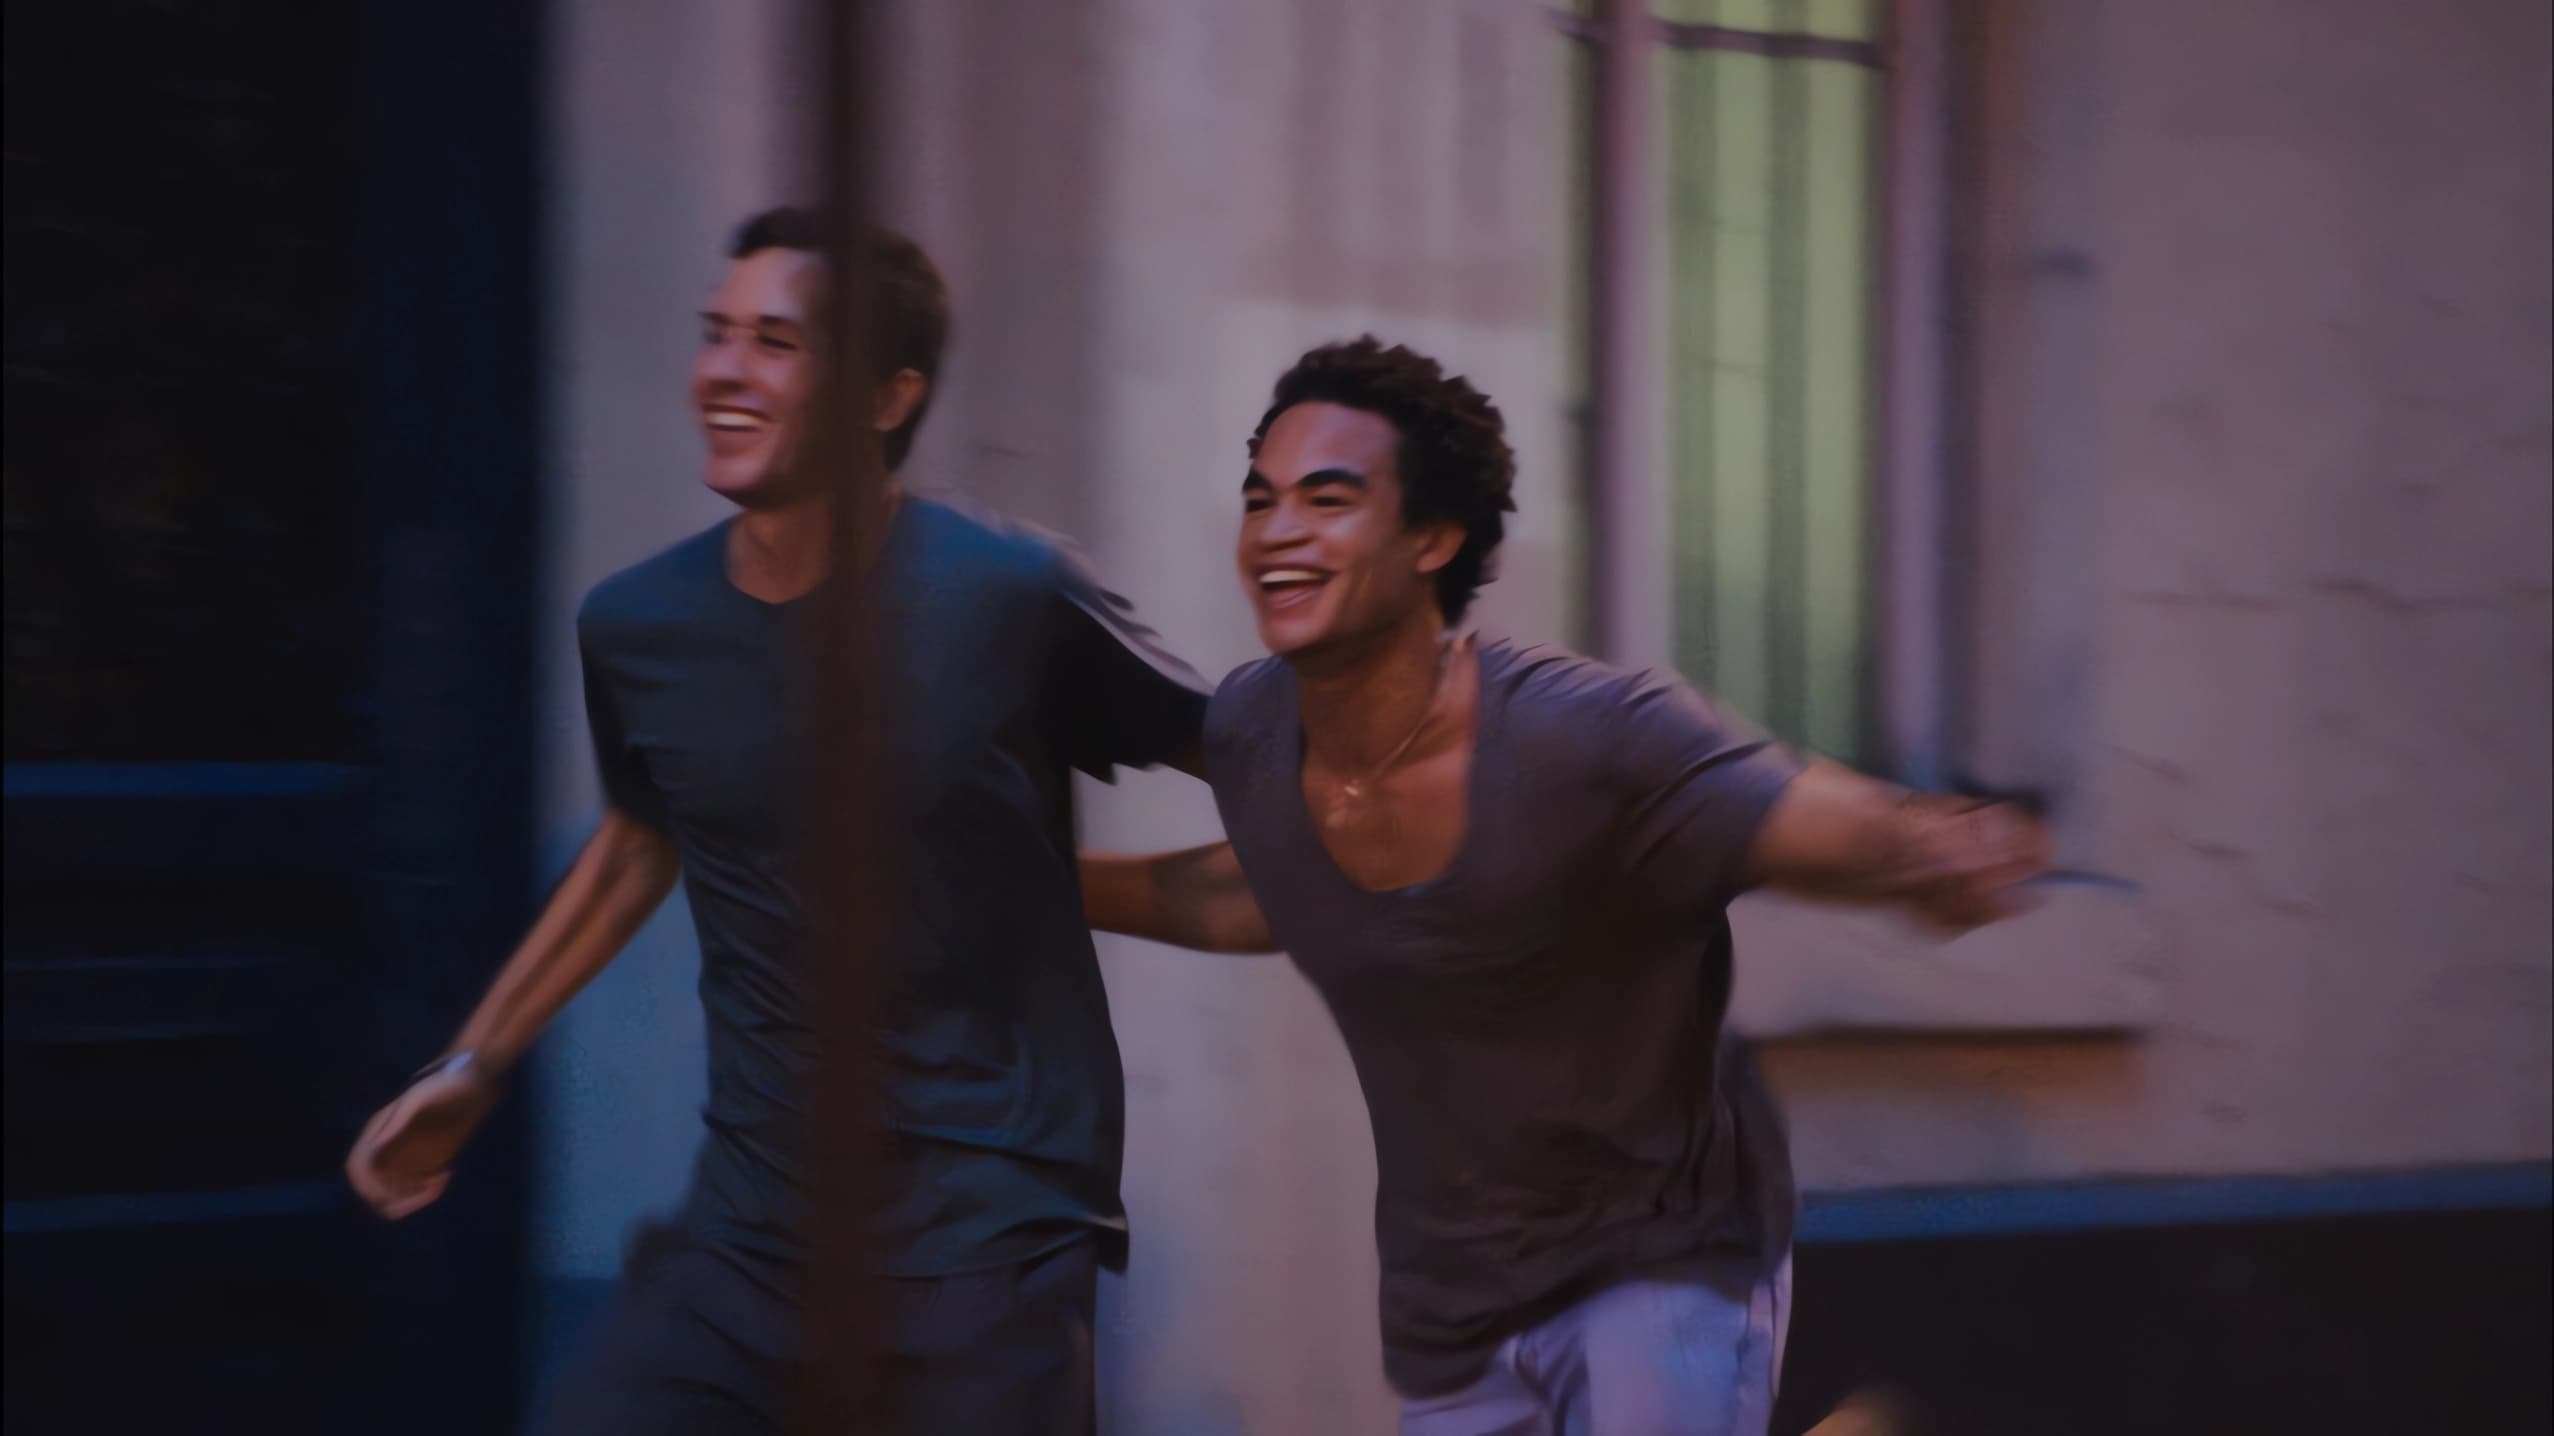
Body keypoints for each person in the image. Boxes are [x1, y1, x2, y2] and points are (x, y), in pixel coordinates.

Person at [1081, 337, 2047, 1436]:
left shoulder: (1582, 738)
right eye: (1261, 500)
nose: (1278, 531)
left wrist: (1925, 846)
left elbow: (1789, 807)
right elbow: (1261, 890)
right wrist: (1033, 884)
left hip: (1659, 1264)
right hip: (1455, 1299)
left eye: (1328, 498)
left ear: (1433, 538)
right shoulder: (1257, 732)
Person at [344, 211, 1210, 1435]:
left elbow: (1257, 766)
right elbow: (641, 841)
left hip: (988, 1252)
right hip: (748, 1238)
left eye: (777, 341)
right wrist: (473, 1067)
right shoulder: (640, 626)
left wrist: (1352, 871)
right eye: (718, 333)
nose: (725, 370)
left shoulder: (1010, 594)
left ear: (888, 396)